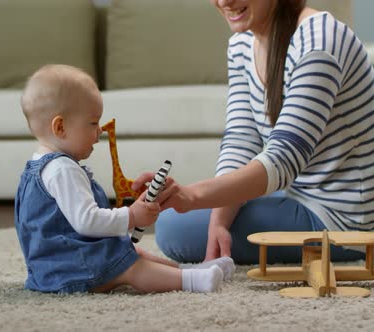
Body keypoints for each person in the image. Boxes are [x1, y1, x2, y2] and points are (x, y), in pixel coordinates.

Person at [133, 0, 374, 264]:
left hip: (351, 221)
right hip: (302, 193)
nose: (224, 1)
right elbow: (242, 141)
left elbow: (284, 160)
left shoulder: (319, 40)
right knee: (192, 216)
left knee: (173, 227)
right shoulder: (242, 44)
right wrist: (219, 220)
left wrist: (191, 196)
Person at [14, 64, 235, 294]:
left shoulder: (39, 165)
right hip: (70, 270)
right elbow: (86, 221)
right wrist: (131, 215)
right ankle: (193, 281)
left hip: (56, 265)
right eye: (93, 123)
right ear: (60, 127)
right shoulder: (62, 170)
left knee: (130, 251)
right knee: (132, 266)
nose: (99, 131)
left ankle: (189, 270)